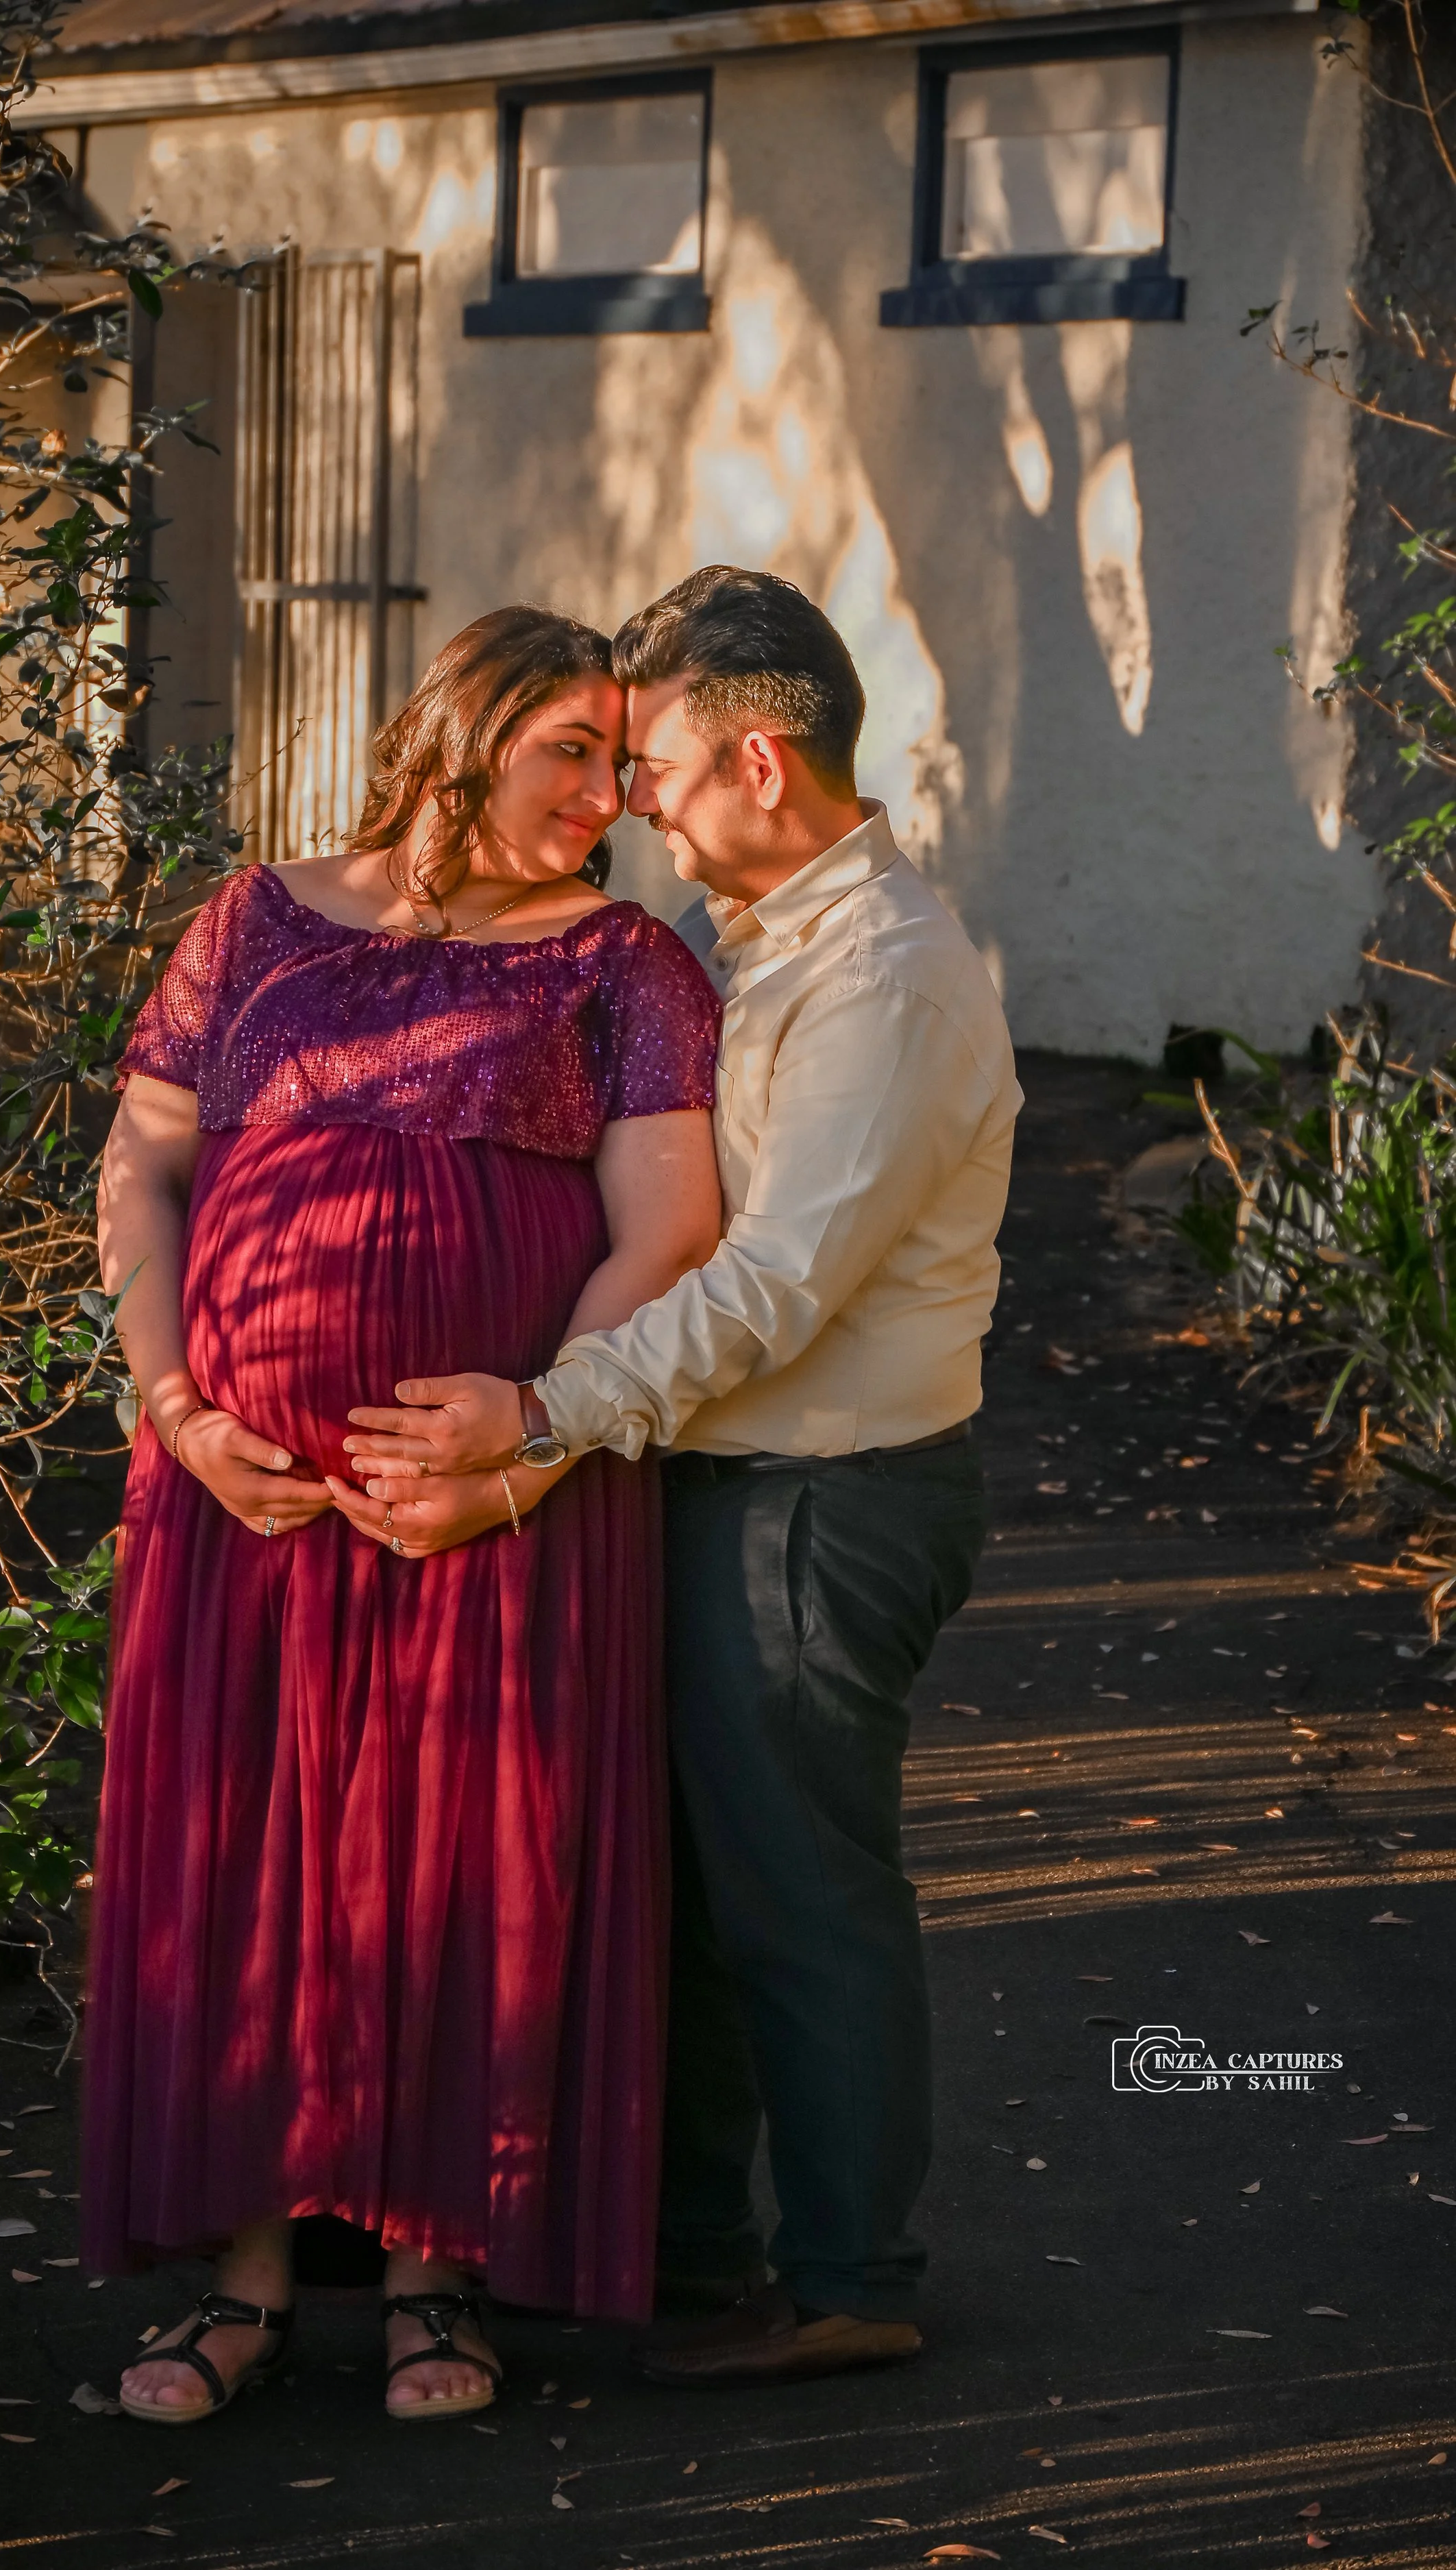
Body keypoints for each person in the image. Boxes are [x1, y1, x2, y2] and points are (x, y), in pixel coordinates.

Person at [343, 567, 1022, 2388]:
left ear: (759, 754)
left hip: (823, 1498)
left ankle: (846, 2276)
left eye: (650, 762)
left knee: (798, 1890)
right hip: (741, 1480)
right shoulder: (784, 933)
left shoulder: (879, 976)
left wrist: (542, 1410)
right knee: (715, 1888)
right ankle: (695, 2250)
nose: (627, 798)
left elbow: (775, 1284)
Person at [86, 606, 722, 2425]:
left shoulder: (625, 963)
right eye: (572, 756)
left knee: (458, 1861)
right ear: (463, 734)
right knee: (248, 1865)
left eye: (622, 764)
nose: (608, 798)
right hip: (235, 1502)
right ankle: (249, 2276)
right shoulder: (258, 918)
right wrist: (176, 1405)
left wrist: (515, 1446)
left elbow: (662, 1232)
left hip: (488, 1512)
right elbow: (144, 1160)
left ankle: (440, 2275)